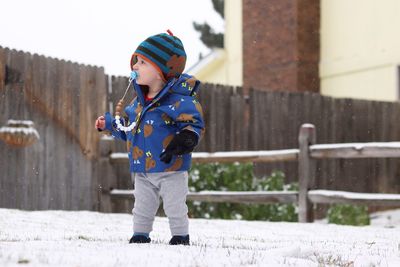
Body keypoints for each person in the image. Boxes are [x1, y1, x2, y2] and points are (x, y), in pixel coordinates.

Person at [95, 30, 205, 245]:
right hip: (142, 167)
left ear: (161, 70)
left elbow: (194, 124)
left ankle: (180, 236)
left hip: (170, 166)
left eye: (143, 62)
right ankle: (140, 234)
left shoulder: (178, 101)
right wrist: (109, 125)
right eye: (136, 61)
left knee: (175, 205)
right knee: (142, 205)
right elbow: (130, 130)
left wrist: (186, 139)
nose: (135, 66)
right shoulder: (138, 102)